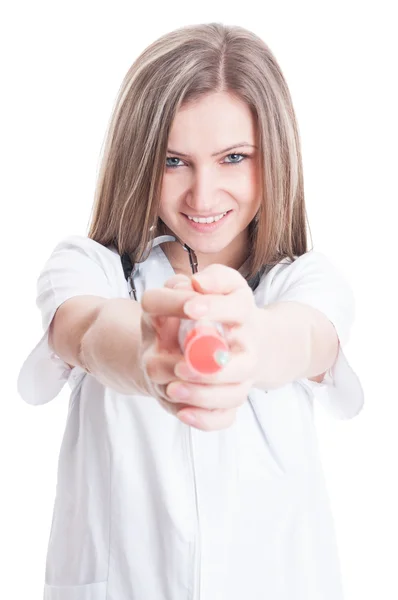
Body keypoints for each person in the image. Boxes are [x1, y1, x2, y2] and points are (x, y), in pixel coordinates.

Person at [17, 22, 364, 600]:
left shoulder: (305, 281)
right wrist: (153, 348)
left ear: (274, 157)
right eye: (174, 161)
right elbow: (89, 330)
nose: (203, 196)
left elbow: (303, 338)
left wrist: (252, 341)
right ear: (139, 161)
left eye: (233, 157)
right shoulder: (88, 267)